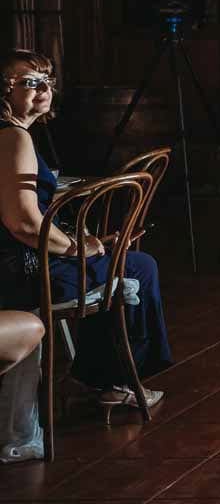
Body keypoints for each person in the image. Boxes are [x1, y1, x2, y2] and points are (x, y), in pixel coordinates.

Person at [0, 50, 173, 413]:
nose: (44, 89)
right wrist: (76, 248)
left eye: (48, 80)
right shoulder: (14, 138)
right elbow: (25, 223)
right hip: (24, 272)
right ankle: (112, 382)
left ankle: (94, 379)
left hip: (15, 262)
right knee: (138, 266)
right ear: (4, 91)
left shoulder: (17, 135)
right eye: (30, 82)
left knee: (119, 260)